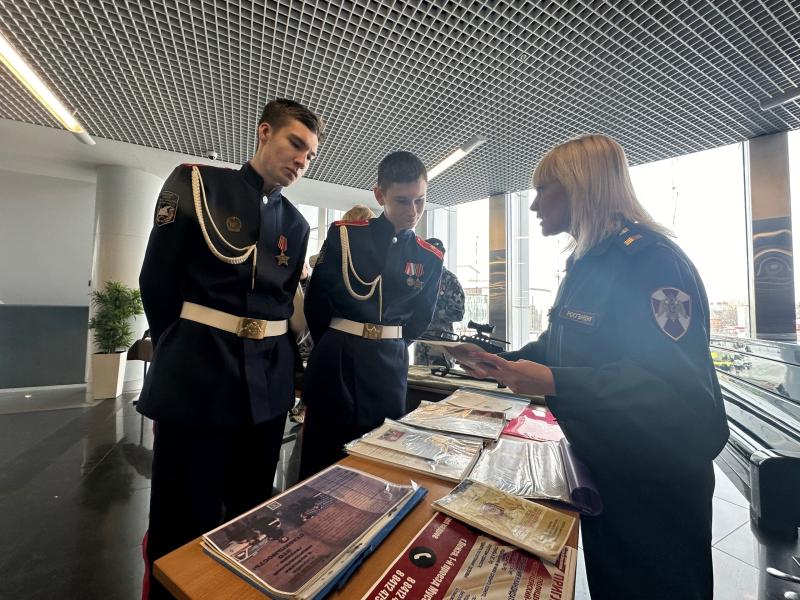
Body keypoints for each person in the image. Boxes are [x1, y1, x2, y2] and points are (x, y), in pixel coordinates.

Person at [449, 134, 729, 600]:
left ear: (579, 188)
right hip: (608, 463)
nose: (535, 204)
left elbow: (668, 385)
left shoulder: (650, 262)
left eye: (544, 189)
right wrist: (506, 363)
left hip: (655, 477)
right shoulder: (586, 263)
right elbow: (563, 345)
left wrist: (555, 381)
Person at [137, 99, 324, 599]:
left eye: (309, 156)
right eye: (294, 145)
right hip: (197, 378)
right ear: (264, 133)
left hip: (264, 388)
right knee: (182, 516)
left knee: (249, 517)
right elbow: (157, 281)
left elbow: (283, 306)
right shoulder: (198, 185)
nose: (301, 162)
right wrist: (180, 351)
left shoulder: (298, 226)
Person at [299, 151, 443, 479]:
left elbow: (420, 319)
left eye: (420, 201)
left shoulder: (429, 257)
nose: (413, 211)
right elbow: (316, 303)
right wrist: (338, 339)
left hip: (388, 366)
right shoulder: (346, 235)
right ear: (380, 195)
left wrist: (387, 342)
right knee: (321, 464)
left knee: (378, 467)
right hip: (336, 360)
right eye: (402, 201)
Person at [290, 205, 376, 424]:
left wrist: (328, 337)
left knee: (329, 421)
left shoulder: (329, 256)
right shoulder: (376, 260)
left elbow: (314, 306)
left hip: (333, 343)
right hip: (371, 351)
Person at [413, 238, 465, 366]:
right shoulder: (418, 278)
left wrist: (430, 312)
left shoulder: (450, 280)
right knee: (418, 382)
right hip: (421, 342)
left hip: (441, 344)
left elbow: (458, 313)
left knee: (440, 383)